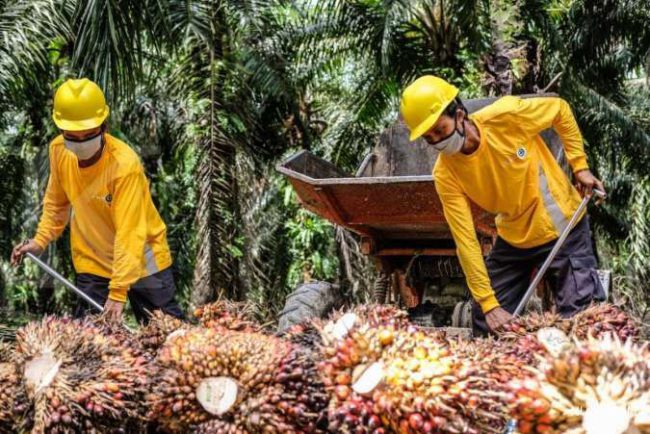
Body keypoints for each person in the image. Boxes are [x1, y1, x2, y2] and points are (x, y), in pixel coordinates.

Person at [400, 75, 606, 335]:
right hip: (515, 237)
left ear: (460, 115)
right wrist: (489, 305)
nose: (438, 141)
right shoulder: (445, 174)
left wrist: (580, 167)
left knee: (581, 319)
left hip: (563, 230)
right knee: (485, 320)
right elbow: (465, 240)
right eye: (429, 138)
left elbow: (560, 110)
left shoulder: (506, 117)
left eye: (440, 130)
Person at [10, 78, 183, 324]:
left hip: (143, 258)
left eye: (89, 135)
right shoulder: (58, 151)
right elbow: (56, 204)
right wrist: (40, 241)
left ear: (104, 126)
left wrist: (118, 290)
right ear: (61, 130)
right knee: (90, 339)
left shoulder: (124, 165)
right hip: (94, 259)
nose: (81, 142)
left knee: (167, 332)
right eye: (73, 136)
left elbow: (130, 232)